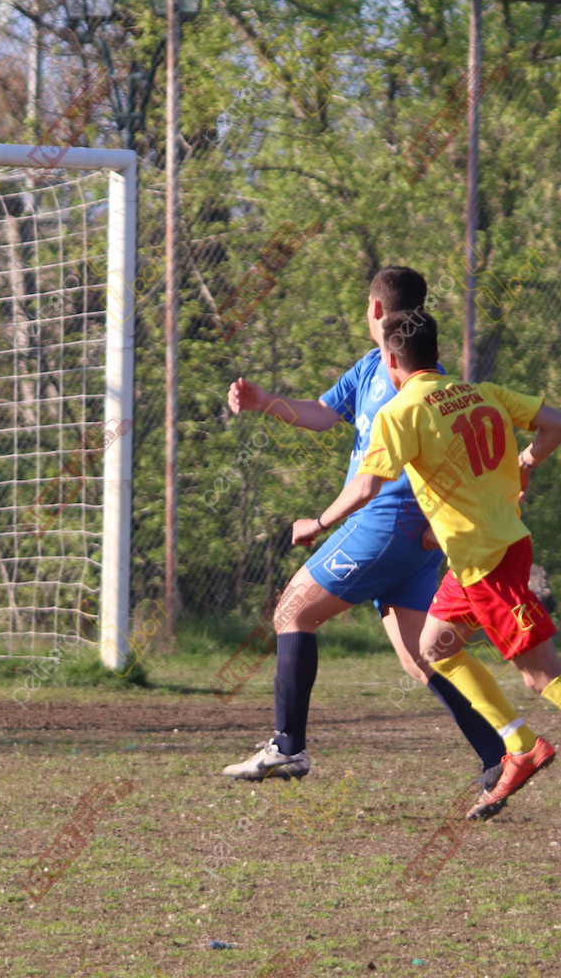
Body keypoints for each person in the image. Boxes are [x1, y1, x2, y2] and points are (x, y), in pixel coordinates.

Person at [298, 306, 561, 829]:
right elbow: (559, 424)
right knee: (435, 646)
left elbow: (365, 487)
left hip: (489, 560)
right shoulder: (483, 392)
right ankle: (520, 745)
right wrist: (526, 461)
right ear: (436, 353)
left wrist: (317, 523)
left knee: (541, 674)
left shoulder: (401, 411)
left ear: (390, 361)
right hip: (484, 552)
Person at [219, 266, 512, 813]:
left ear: (376, 309)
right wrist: (266, 402)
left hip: (383, 522)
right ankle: (501, 755)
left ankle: (288, 747)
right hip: (411, 536)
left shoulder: (419, 381)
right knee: (422, 657)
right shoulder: (373, 367)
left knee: (292, 612)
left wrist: (319, 522)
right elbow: (322, 415)